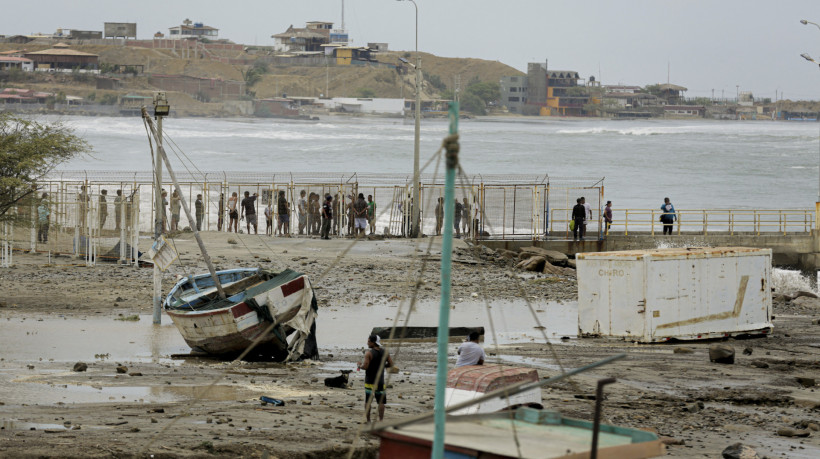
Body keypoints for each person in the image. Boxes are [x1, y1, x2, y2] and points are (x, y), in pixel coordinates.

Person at [358, 334, 393, 423]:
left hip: (370, 380)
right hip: (380, 381)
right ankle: (381, 421)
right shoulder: (385, 352)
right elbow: (391, 364)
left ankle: (368, 420)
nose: (367, 343)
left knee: (368, 400)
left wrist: (359, 366)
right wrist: (382, 366)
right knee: (381, 402)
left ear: (373, 342)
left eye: (369, 341)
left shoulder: (369, 353)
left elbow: (365, 367)